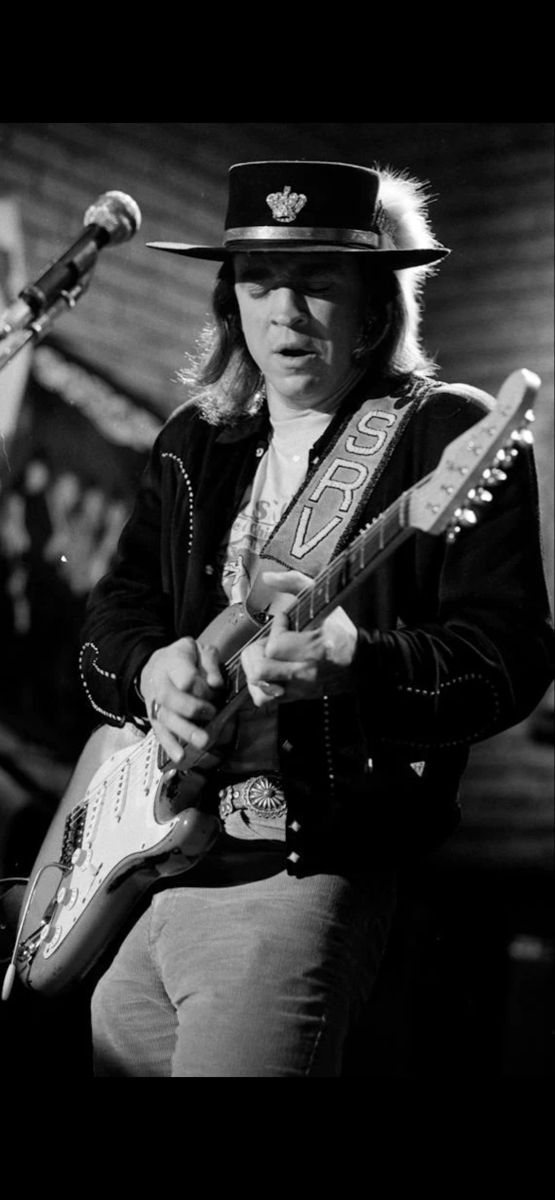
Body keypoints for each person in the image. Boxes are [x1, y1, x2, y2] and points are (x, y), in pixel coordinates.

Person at [79, 159, 554, 1077]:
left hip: (298, 870)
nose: (284, 314)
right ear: (230, 302)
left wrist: (360, 662)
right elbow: (113, 613)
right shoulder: (194, 442)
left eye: (317, 285)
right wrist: (148, 668)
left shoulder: (437, 432)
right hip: (157, 869)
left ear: (376, 306)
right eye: (259, 282)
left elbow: (509, 656)